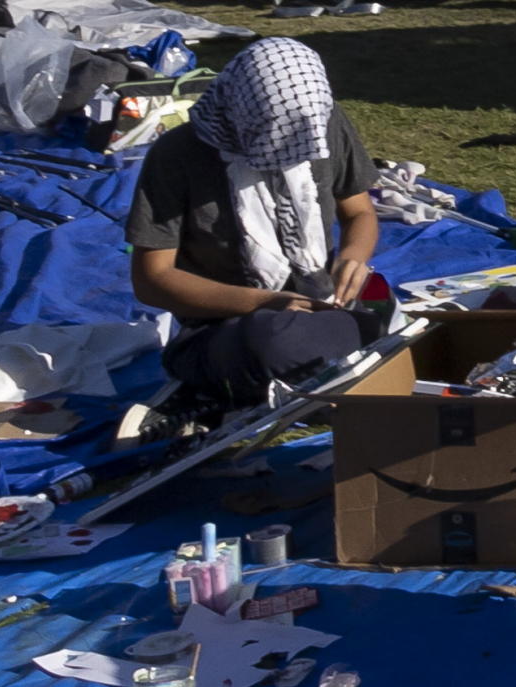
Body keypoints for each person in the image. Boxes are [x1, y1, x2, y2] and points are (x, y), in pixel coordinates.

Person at [124, 39, 383, 416]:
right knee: (276, 342)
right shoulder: (178, 155)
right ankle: (343, 361)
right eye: (275, 134)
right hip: (232, 323)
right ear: (241, 112)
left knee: (385, 308)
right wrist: (264, 302)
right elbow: (152, 278)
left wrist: (352, 259)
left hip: (323, 306)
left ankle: (338, 360)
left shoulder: (322, 122)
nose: (289, 148)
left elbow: (360, 213)